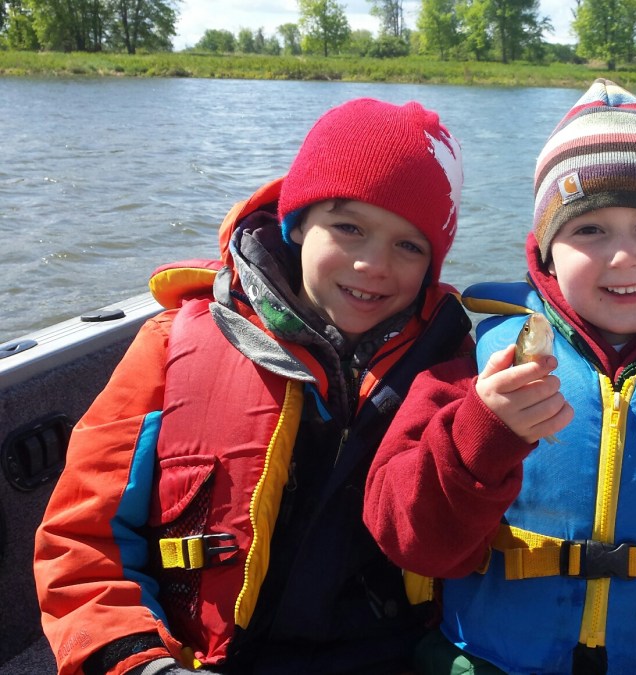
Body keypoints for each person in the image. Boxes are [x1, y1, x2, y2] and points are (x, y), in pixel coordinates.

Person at [363, 78, 636, 675]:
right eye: (589, 229)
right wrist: (480, 435)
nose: (623, 256)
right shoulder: (478, 360)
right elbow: (407, 540)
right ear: (547, 252)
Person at [33, 98, 472, 675]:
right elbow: (80, 543)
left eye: (409, 245)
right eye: (348, 227)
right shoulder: (169, 344)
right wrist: (140, 661)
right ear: (298, 224)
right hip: (199, 660)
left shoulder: (454, 367)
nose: (373, 264)